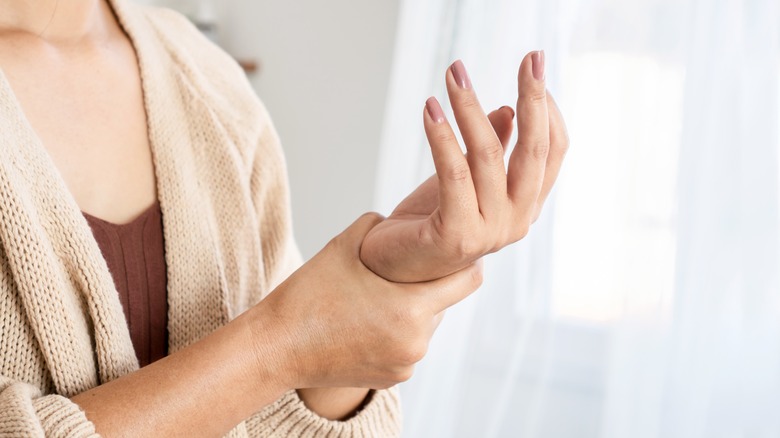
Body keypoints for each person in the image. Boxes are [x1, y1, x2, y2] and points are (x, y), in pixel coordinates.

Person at [0, 0, 568, 436]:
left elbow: (283, 406)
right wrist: (279, 344)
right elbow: (280, 345)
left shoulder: (208, 82)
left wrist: (372, 296)